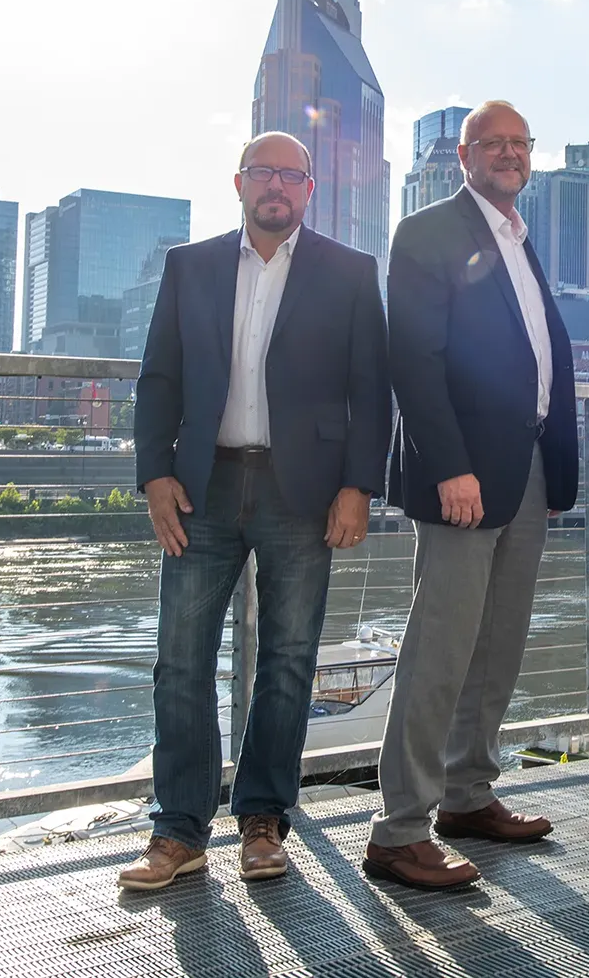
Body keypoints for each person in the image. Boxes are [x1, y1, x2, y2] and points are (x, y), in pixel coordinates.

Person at [119, 131, 391, 890]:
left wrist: (359, 486)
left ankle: (264, 819)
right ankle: (178, 830)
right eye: (264, 172)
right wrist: (153, 476)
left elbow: (372, 390)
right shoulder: (190, 265)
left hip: (304, 490)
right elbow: (159, 379)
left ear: (310, 189)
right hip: (200, 487)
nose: (278, 186)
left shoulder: (350, 272)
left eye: (292, 175)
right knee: (180, 660)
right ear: (239, 183)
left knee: (290, 660)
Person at [364, 100, 579, 890]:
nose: (509, 154)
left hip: (525, 469)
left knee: (498, 643)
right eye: (493, 143)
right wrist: (449, 466)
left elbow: (537, 355)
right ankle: (398, 831)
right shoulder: (428, 232)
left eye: (520, 142)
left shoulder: (519, 239)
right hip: (464, 474)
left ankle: (467, 794)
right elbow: (415, 360)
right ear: (463, 155)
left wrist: (555, 472)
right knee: (441, 647)